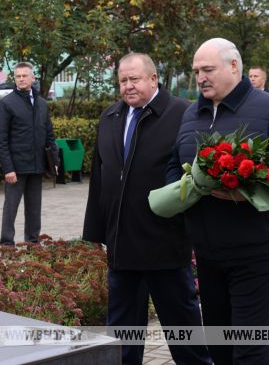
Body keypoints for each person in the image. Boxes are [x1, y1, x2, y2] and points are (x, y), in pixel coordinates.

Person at [167, 38, 269, 365]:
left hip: (259, 246)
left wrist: (245, 189)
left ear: (234, 66)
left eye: (208, 70)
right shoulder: (192, 113)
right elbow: (173, 164)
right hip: (207, 248)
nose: (200, 78)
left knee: (249, 344)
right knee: (219, 341)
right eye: (196, 72)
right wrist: (177, 191)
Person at [83, 53, 211, 365]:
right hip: (121, 246)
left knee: (184, 333)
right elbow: (100, 178)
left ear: (153, 79)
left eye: (135, 79)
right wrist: (96, 233)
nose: (128, 86)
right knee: (123, 337)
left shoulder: (182, 113)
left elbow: (194, 176)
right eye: (123, 80)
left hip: (164, 244)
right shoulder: (110, 116)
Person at [0, 62, 59, 246]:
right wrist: (8, 169)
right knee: (11, 208)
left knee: (34, 208)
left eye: (24, 75)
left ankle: (32, 243)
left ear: (32, 78)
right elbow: (0, 140)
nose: (21, 79)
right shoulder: (6, 104)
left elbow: (49, 135)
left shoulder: (42, 104)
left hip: (36, 166)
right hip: (16, 168)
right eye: (18, 76)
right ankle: (7, 244)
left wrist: (54, 161)